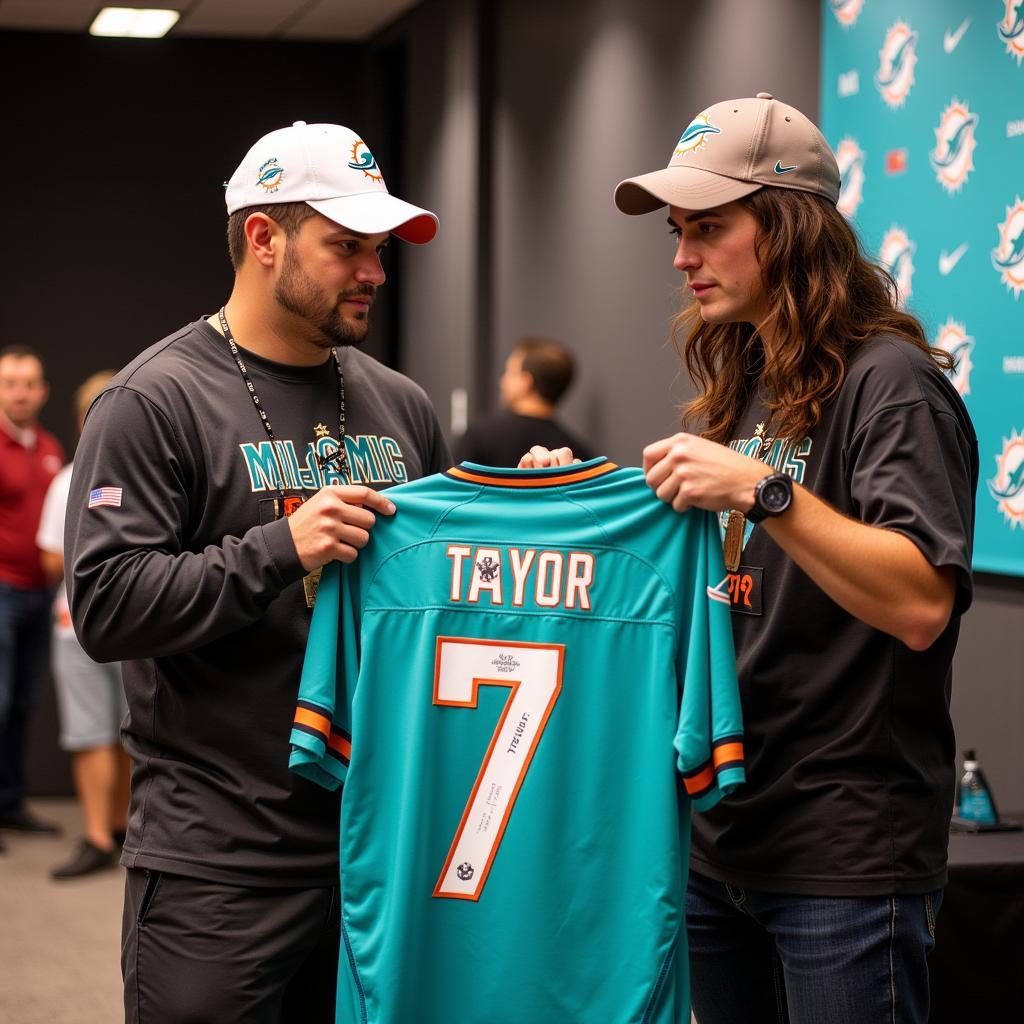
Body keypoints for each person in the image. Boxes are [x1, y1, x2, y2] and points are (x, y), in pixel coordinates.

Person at [530, 93, 979, 1024]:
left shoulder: (890, 387)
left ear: (788, 230)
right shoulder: (747, 383)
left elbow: (923, 601)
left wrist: (763, 493)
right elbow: (717, 576)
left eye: (708, 229)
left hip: (843, 862)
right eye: (677, 231)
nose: (683, 257)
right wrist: (585, 497)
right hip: (718, 841)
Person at [65, 121, 447, 1022]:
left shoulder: (401, 403)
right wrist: (283, 547)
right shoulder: (153, 400)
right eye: (347, 247)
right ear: (264, 239)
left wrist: (526, 510)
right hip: (217, 868)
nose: (375, 274)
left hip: (377, 857)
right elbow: (108, 607)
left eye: (381, 250)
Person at [37, 369, 131, 879]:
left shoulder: (148, 470)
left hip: (138, 626)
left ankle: (118, 827)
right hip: (76, 627)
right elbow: (51, 559)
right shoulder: (67, 480)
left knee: (130, 733)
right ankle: (98, 835)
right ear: (82, 421)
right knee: (92, 733)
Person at [0, 344, 65, 843]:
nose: (19, 393)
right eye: (10, 383)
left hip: (40, 593)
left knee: (22, 702)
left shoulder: (49, 449)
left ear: (42, 391)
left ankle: (11, 803)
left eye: (28, 384)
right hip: (1, 591)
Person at [454, 336, 594, 465]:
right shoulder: (578, 452)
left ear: (525, 382)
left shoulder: (479, 436)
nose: (502, 382)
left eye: (509, 373)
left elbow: (454, 489)